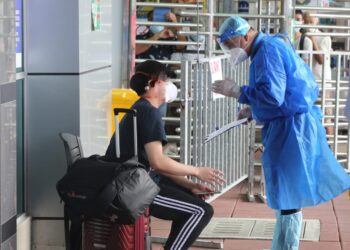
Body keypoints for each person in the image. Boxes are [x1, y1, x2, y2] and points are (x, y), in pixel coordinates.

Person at [212, 16, 350, 250]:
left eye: (230, 43)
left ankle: (287, 247)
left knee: (288, 195)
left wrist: (239, 92)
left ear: (245, 35)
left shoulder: (267, 51)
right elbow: (279, 94)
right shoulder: (266, 48)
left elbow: (273, 96)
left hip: (291, 130)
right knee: (286, 195)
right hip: (289, 126)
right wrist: (252, 110)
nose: (229, 50)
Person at [105, 60, 225, 250]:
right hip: (133, 189)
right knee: (200, 211)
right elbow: (158, 162)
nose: (169, 85)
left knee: (192, 202)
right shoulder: (148, 113)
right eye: (166, 80)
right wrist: (196, 171)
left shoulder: (142, 107)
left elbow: (155, 162)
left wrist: (189, 184)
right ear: (155, 83)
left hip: (133, 180)